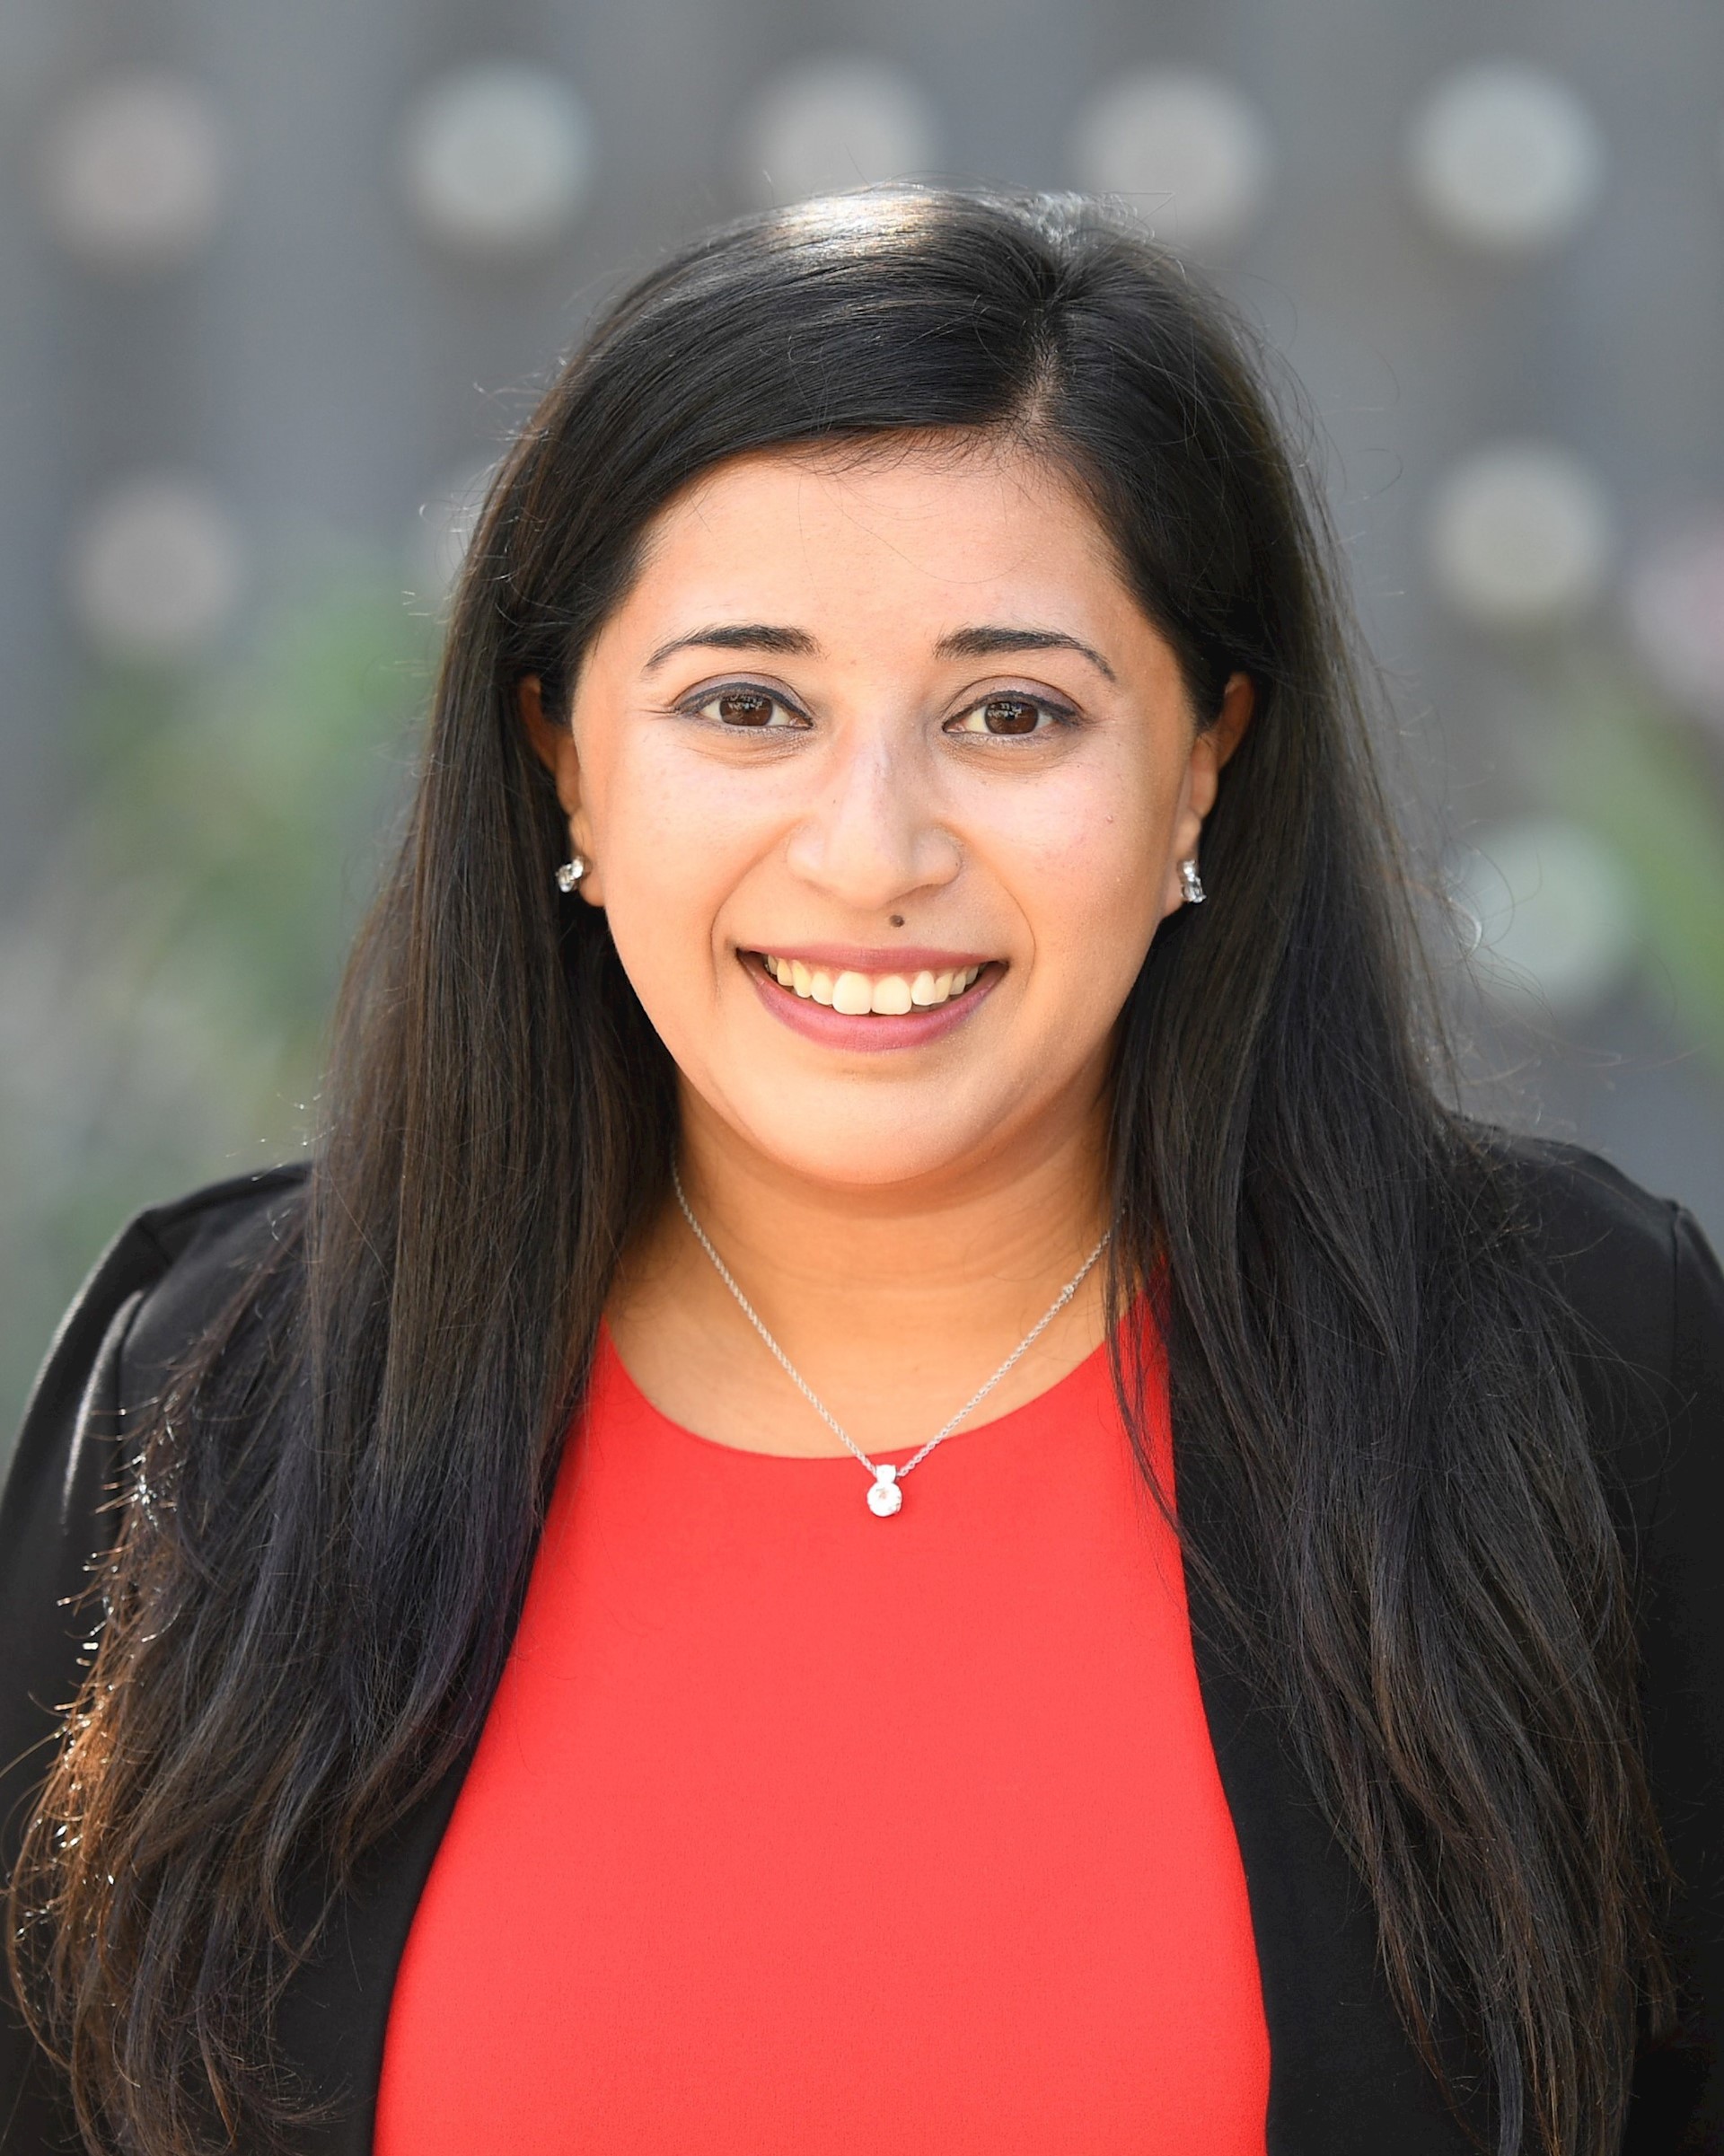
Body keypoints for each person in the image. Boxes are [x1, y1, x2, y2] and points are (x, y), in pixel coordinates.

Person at [2, 186, 1720, 2156]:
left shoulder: (1573, 1364)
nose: (873, 848)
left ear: (1204, 762)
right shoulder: (218, 1394)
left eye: (1012, 713)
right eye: (747, 706)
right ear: (563, 754)